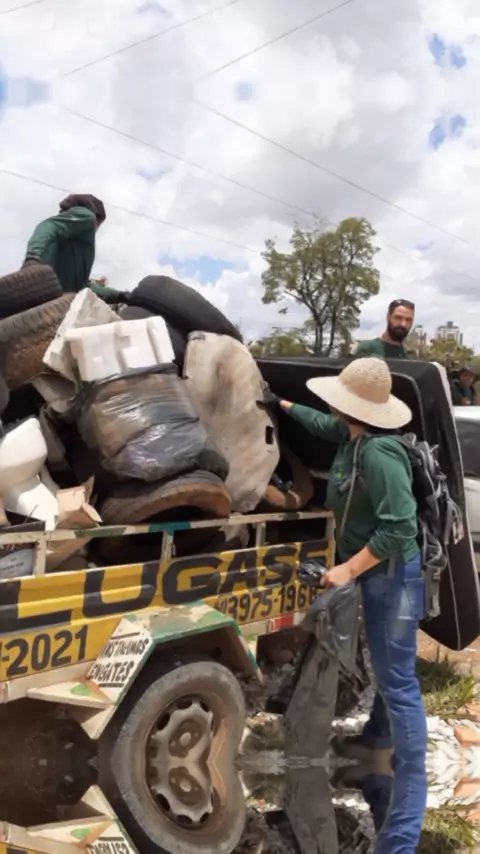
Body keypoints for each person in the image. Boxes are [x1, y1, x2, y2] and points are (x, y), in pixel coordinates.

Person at [262, 357, 427, 854]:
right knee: (388, 669)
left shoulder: (379, 455)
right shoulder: (352, 436)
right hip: (377, 574)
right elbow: (320, 422)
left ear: (350, 405)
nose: (331, 406)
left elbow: (400, 527)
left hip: (392, 577)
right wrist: (279, 403)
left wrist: (347, 570)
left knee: (397, 679)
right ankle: (379, 741)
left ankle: (410, 781)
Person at [22, 194, 124, 303]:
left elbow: (82, 289)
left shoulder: (68, 243)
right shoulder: (87, 217)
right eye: (98, 225)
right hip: (47, 297)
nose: (96, 230)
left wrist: (120, 296)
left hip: (46, 298)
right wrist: (32, 259)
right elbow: (47, 225)